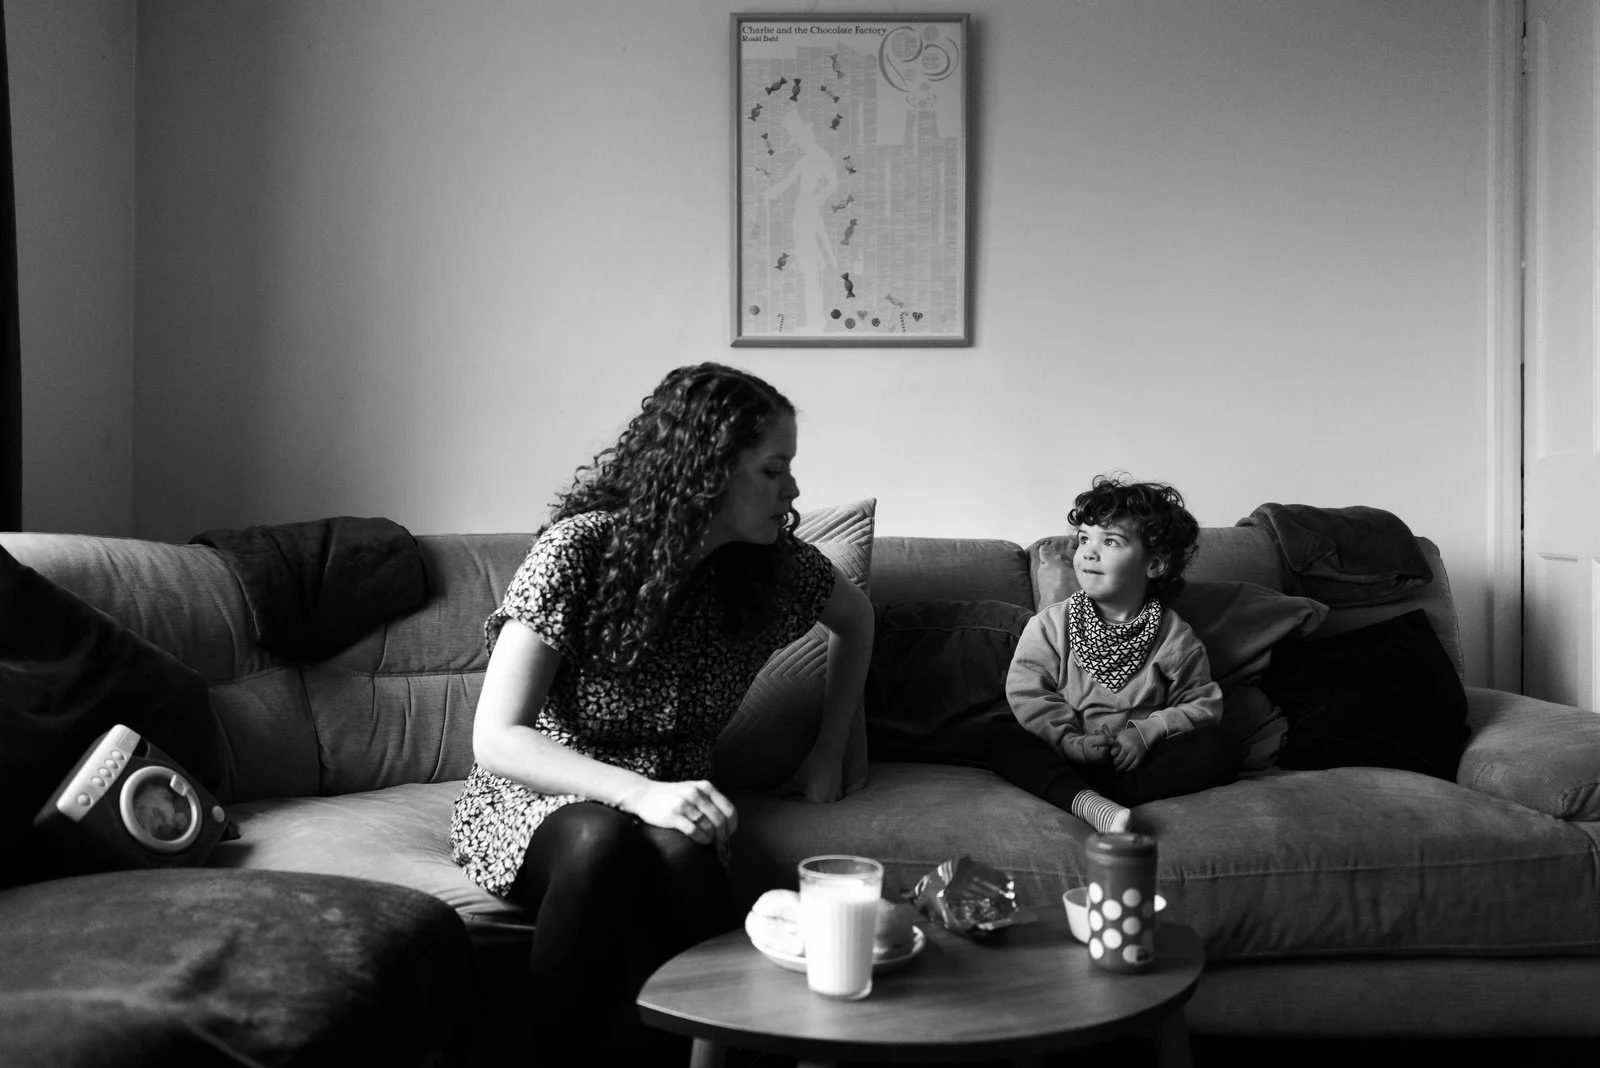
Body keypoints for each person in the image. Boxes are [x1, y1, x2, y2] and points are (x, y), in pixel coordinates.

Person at [450, 363, 873, 1058]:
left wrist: (831, 748)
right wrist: (641, 795)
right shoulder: (578, 551)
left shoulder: (769, 561)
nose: (793, 490)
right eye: (774, 470)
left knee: (681, 852)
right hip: (545, 799)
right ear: (707, 471)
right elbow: (498, 737)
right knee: (602, 842)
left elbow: (856, 621)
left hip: (676, 801)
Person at [987, 475, 1240, 834]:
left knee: (1222, 746)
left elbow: (1203, 705)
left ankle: (1105, 800)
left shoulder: (1174, 636)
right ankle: (1089, 801)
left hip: (1139, 759)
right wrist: (1072, 742)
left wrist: (1145, 733)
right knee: (1001, 735)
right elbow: (1028, 692)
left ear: (1154, 565)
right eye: (1084, 539)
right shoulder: (1051, 625)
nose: (1090, 551)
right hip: (1069, 754)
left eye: (1111, 541)